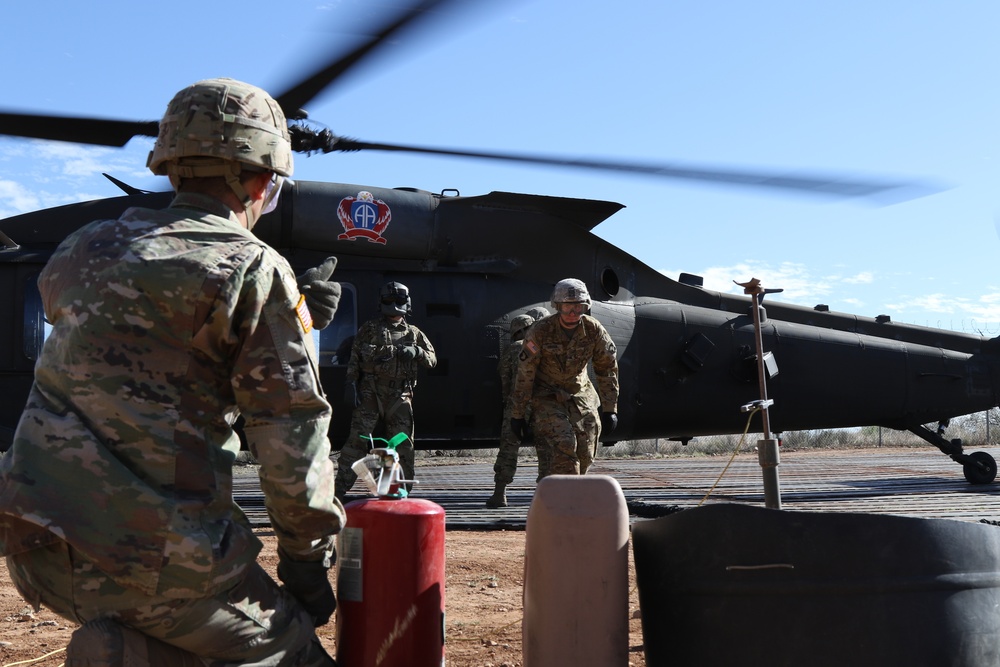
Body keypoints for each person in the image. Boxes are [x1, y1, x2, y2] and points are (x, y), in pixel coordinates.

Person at [0, 78, 346, 665]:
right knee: (297, 657)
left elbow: (136, 346)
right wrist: (308, 570)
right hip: (153, 565)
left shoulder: (84, 246)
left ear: (171, 167)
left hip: (37, 550)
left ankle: (122, 652)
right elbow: (294, 446)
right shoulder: (253, 267)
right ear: (263, 179)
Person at [337, 281, 437, 500]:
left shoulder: (414, 333)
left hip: (400, 395)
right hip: (370, 393)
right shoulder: (370, 329)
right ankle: (338, 490)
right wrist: (350, 384)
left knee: (401, 445)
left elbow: (432, 360)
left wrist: (417, 351)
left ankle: (397, 490)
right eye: (389, 300)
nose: (394, 305)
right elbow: (354, 358)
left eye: (398, 301)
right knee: (357, 441)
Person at [509, 279, 620, 476]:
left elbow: (607, 368)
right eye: (568, 306)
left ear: (586, 307)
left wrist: (610, 408)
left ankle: (570, 489)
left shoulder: (594, 330)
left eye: (578, 307)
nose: (573, 313)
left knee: (586, 450)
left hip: (580, 394)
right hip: (547, 396)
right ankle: (567, 500)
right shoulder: (540, 331)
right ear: (558, 306)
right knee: (564, 443)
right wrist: (518, 414)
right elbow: (525, 374)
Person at [486, 313, 538, 508]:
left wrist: (508, 402)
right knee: (545, 451)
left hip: (515, 405)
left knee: (508, 450)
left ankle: (500, 494)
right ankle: (545, 494)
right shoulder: (535, 347)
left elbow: (504, 379)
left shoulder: (511, 350)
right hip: (538, 405)